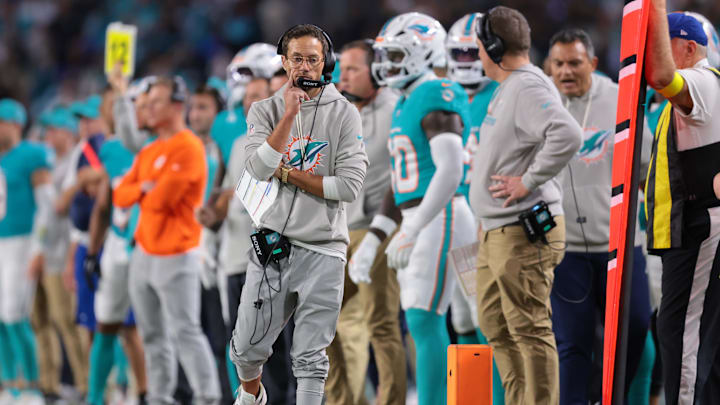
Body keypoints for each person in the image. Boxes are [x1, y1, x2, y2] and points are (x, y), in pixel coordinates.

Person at [228, 24, 367, 405]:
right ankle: (252, 395)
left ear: (326, 64)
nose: (304, 68)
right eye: (297, 59)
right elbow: (256, 169)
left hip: (324, 248)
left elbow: (349, 187)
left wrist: (288, 173)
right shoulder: (265, 110)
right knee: (245, 347)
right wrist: (288, 117)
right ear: (284, 62)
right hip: (273, 247)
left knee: (310, 358)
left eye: (313, 59)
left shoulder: (345, 114)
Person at [360, 12, 475, 405]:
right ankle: (476, 399)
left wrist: (413, 228)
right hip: (432, 216)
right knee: (468, 318)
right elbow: (399, 181)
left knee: (424, 318)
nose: (385, 65)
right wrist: (374, 238)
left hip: (441, 214)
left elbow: (452, 168)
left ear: (423, 53)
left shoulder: (433, 92)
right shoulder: (406, 100)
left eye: (395, 55)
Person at [470, 7, 582, 404]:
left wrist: (528, 182)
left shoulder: (528, 86)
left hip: (522, 229)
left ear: (493, 46)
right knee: (495, 323)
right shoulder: (513, 86)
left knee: (529, 328)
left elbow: (568, 134)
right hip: (498, 228)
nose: (477, 55)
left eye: (479, 47)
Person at [547, 28, 652, 405]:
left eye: (574, 63)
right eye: (558, 63)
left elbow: (647, 168)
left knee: (636, 327)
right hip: (567, 250)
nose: (565, 71)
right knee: (572, 344)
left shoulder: (620, 99)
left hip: (621, 245)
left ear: (591, 63)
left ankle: (607, 398)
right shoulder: (542, 103)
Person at [113, 76, 221, 405]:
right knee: (152, 335)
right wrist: (144, 190)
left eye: (156, 101)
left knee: (185, 331)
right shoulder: (151, 149)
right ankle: (159, 397)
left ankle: (208, 396)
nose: (148, 108)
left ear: (177, 106)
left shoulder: (189, 146)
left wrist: (144, 191)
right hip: (145, 252)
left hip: (178, 252)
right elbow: (120, 193)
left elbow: (163, 199)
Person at [644, 4, 720, 403]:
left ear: (688, 48)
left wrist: (654, 4)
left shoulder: (702, 82)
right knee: (694, 334)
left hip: (700, 224)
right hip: (691, 224)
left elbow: (659, 75)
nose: (648, 54)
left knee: (681, 333)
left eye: (659, 43)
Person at [325, 39, 405, 405]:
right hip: (341, 229)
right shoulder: (342, 111)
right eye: (342, 71)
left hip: (381, 229)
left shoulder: (398, 109)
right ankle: (343, 400)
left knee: (382, 324)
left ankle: (392, 400)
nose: (344, 78)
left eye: (353, 69)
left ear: (377, 70)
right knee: (321, 319)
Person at [445, 12, 505, 404]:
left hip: (487, 220)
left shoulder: (504, 92)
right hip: (451, 220)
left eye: (475, 51)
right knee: (462, 317)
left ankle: (496, 398)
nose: (467, 61)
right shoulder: (444, 93)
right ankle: (470, 397)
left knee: (487, 317)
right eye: (460, 53)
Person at [84, 71, 150, 405]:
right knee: (107, 324)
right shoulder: (110, 148)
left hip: (152, 246)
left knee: (154, 329)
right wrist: (92, 250)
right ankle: (96, 398)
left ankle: (150, 394)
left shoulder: (158, 145)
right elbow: (102, 206)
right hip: (118, 243)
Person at [0, 98, 55, 405]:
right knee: (0, 317)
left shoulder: (32, 155)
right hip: (1, 243)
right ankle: (10, 385)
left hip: (22, 244)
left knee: (14, 313)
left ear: (14, 124)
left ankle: (32, 385)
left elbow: (46, 207)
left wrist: (38, 248)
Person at [31, 106, 88, 401]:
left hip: (64, 251)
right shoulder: (53, 162)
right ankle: (58, 384)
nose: (48, 135)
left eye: (53, 129)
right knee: (50, 321)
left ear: (67, 131)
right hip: (47, 251)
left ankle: (84, 384)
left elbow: (56, 211)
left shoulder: (73, 162)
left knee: (69, 321)